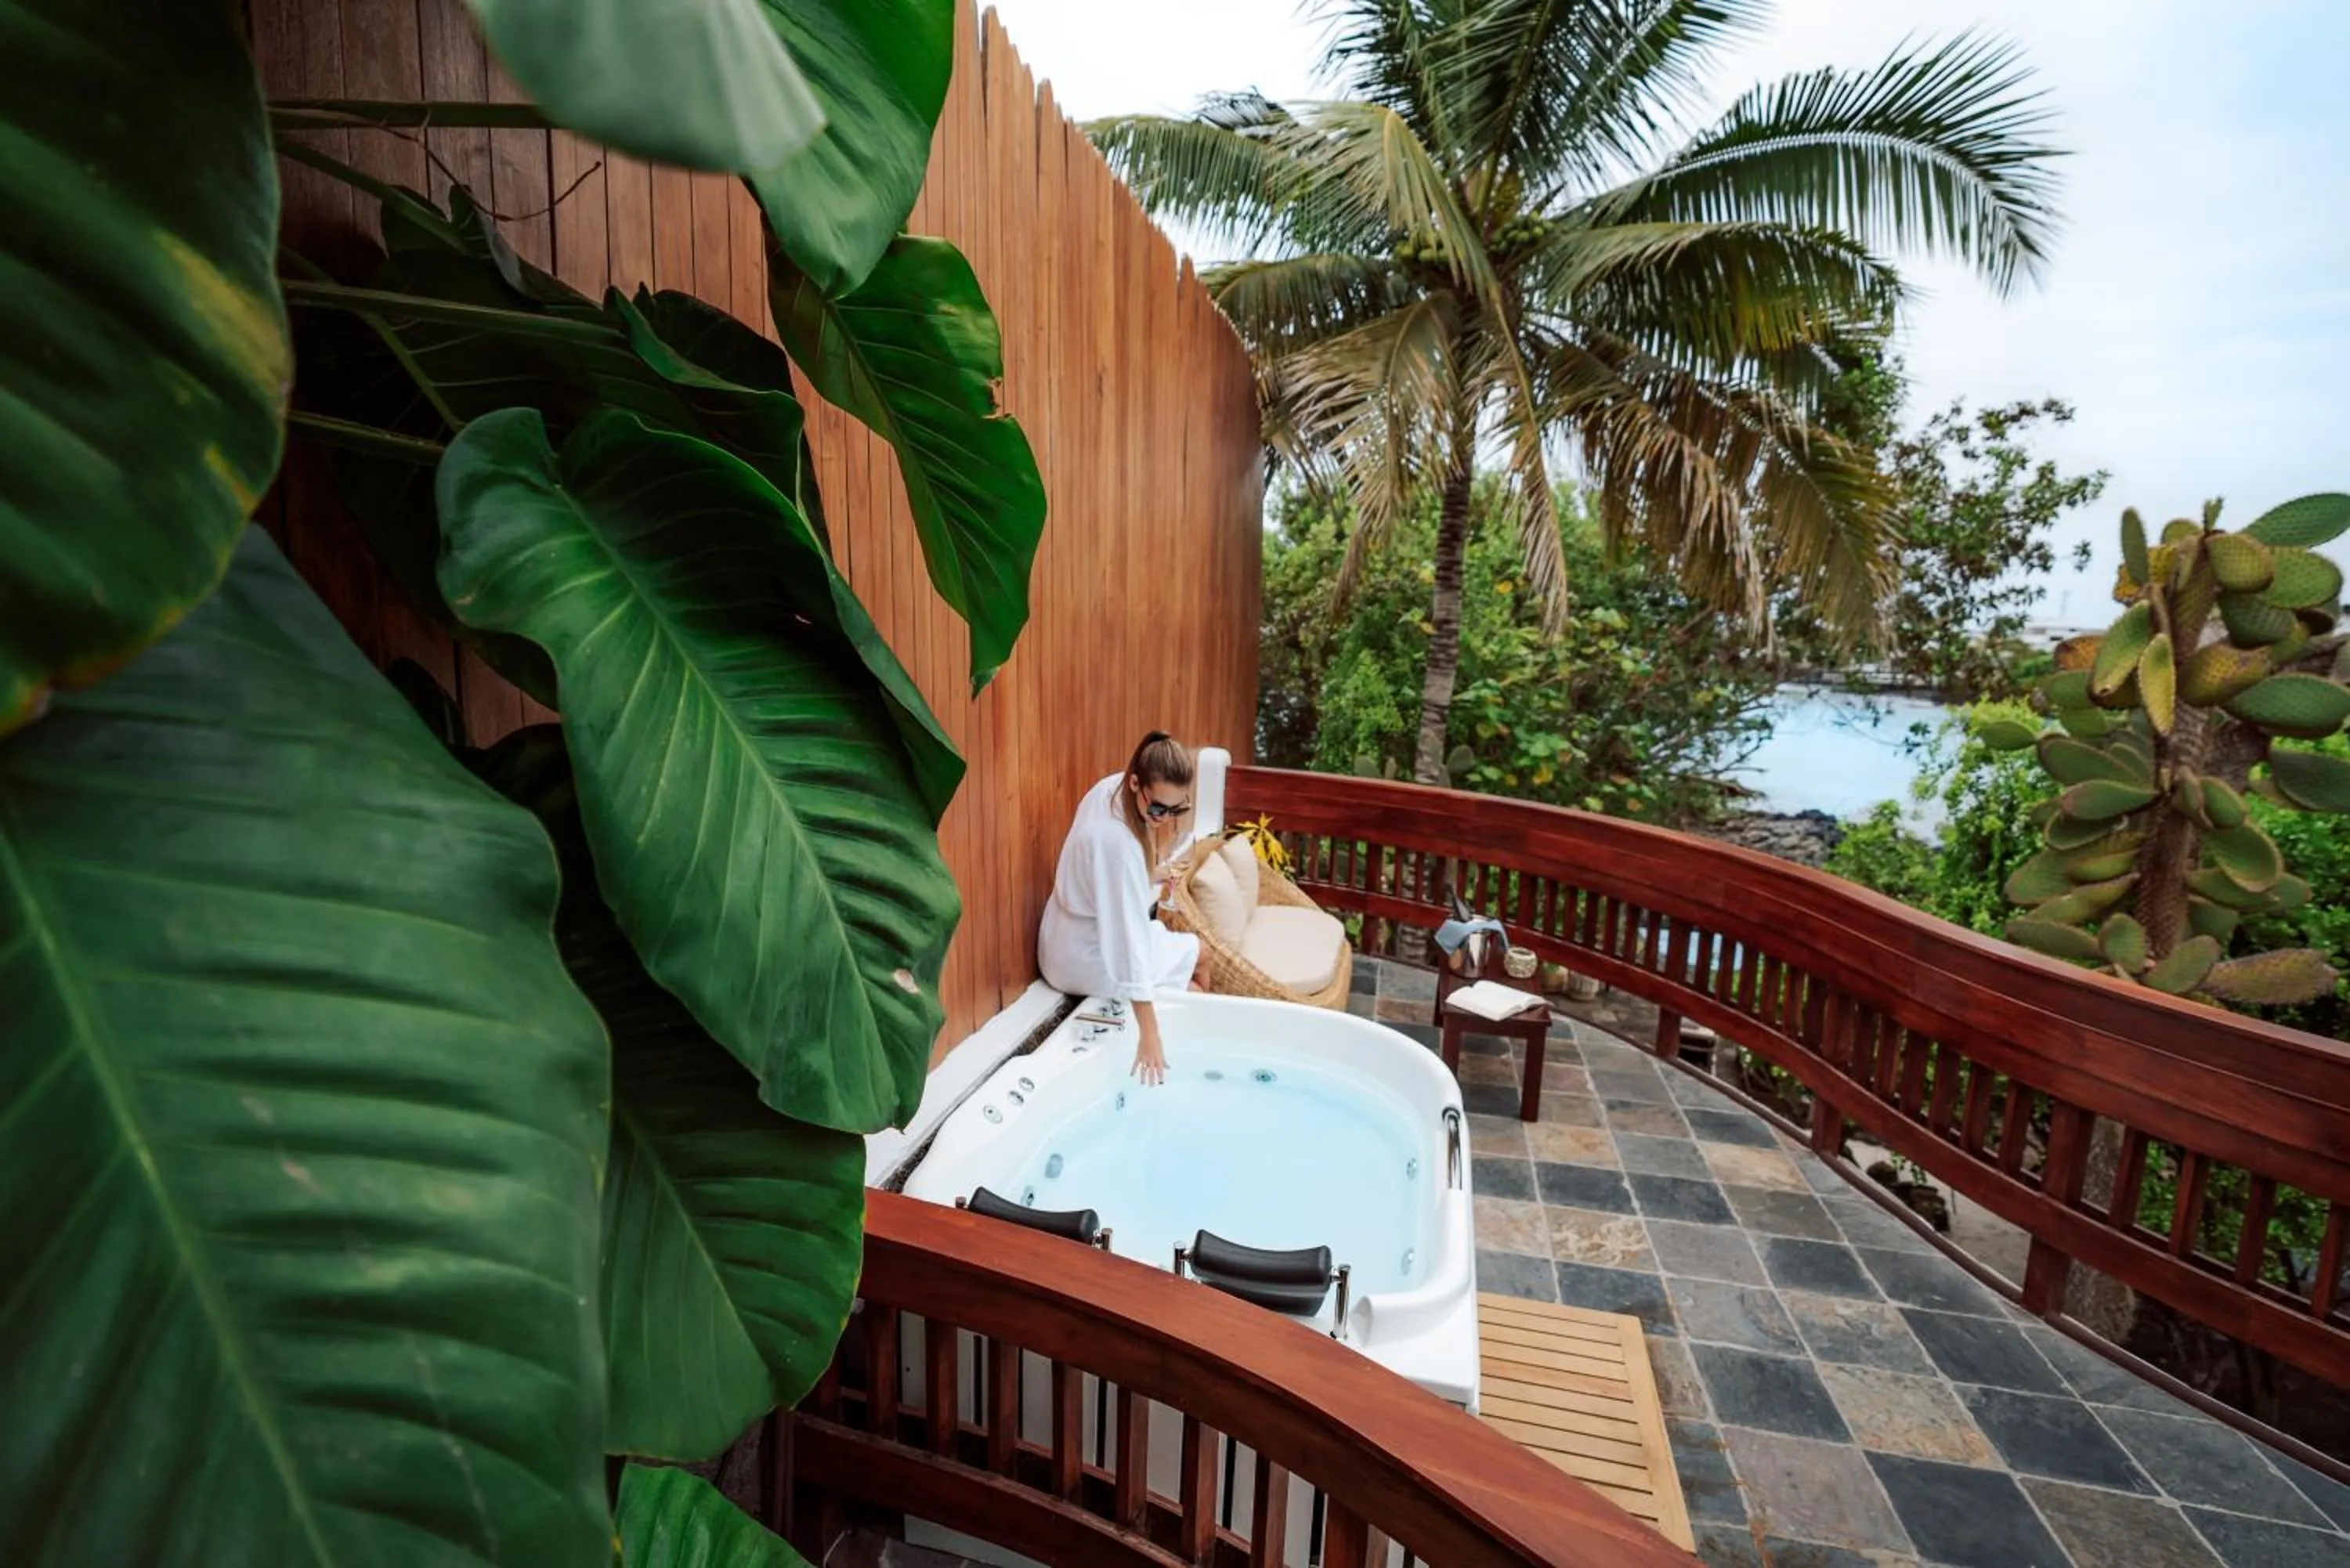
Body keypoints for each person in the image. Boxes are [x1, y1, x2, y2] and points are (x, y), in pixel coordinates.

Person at [1039, 732, 1206, 1085]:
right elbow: (1127, 945)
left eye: (1178, 809)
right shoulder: (1114, 844)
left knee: (1199, 956)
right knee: (1195, 988)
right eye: (1159, 808)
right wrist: (1150, 1035)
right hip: (1083, 956)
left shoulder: (1111, 789)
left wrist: (1150, 874)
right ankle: (1193, 1071)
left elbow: (1103, 880)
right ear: (1135, 783)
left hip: (1069, 931)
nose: (1165, 819)